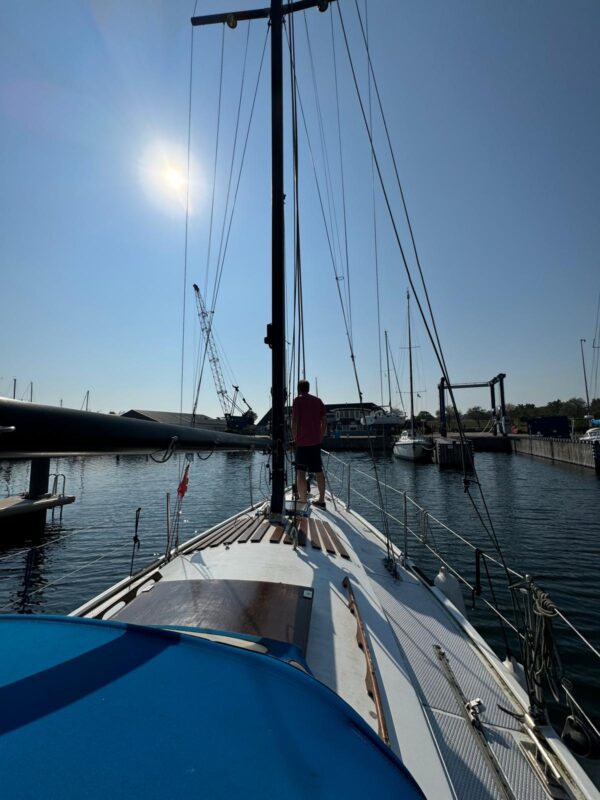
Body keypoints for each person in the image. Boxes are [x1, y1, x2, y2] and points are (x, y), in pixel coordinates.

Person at [291, 379, 327, 508]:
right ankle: (322, 500)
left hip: (302, 443)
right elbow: (324, 421)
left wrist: (295, 439)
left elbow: (294, 422)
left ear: (298, 388)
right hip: (315, 443)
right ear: (308, 388)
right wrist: (320, 437)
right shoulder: (318, 401)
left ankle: (303, 500)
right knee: (318, 470)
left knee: (300, 471)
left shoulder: (298, 400)